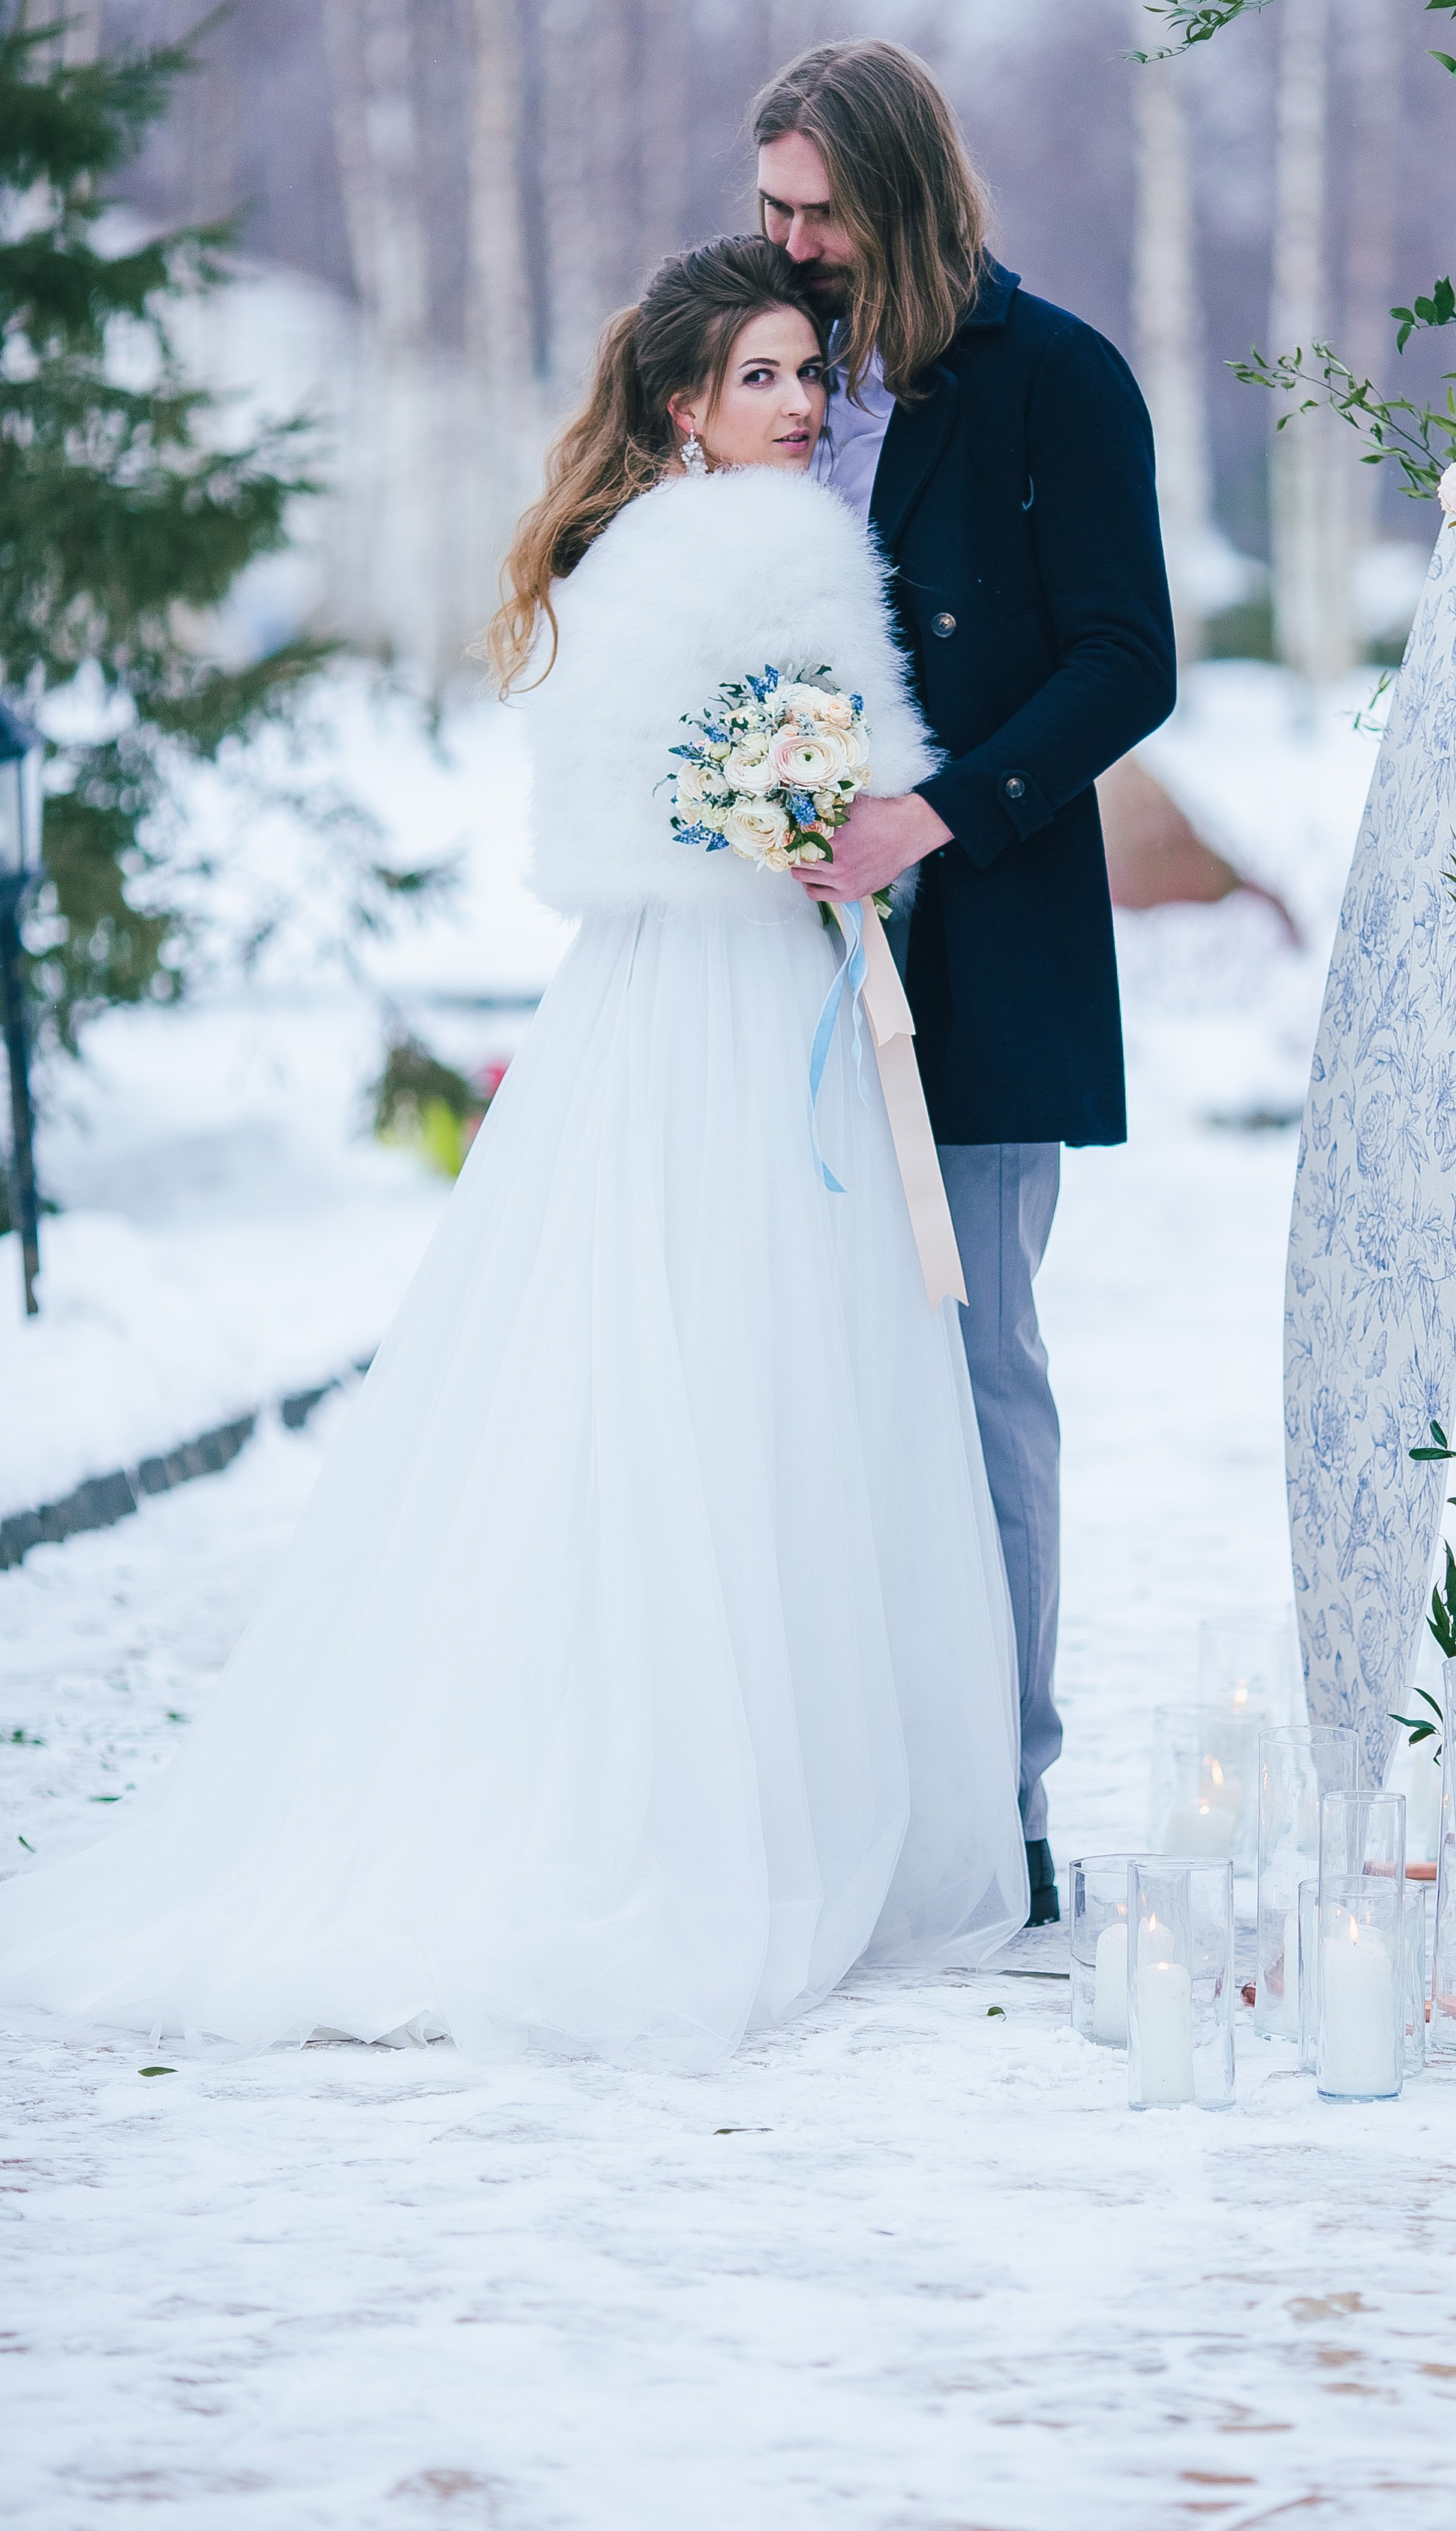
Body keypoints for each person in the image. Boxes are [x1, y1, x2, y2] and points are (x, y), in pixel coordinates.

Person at [0, 236, 1028, 2069]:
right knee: (755, 1374)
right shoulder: (779, 545)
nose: (803, 409)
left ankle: (612, 1772)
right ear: (683, 408)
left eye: (810, 374)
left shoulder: (612, 555)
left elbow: (608, 791)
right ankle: (726, 1817)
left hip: (633, 999)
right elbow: (847, 772)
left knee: (613, 1368)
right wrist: (821, 818)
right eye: (765, 381)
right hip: (739, 991)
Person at [752, 41, 1178, 1923]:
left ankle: (997, 1798)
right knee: (791, 1377)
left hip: (979, 954)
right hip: (762, 972)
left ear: (906, 197)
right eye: (771, 206)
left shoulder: (1054, 381)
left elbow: (1123, 661)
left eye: (819, 211)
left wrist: (941, 814)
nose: (787, 240)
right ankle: (820, 1780)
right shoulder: (761, 375)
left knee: (975, 1364)